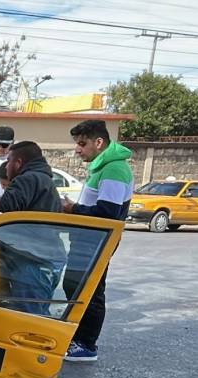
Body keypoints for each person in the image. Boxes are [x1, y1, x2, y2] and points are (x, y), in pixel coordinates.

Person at [60, 119, 134, 362]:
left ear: (98, 142)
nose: (77, 149)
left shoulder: (114, 169)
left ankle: (86, 344)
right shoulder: (103, 167)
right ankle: (77, 338)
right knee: (76, 285)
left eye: (82, 144)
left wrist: (73, 209)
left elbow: (107, 212)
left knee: (90, 290)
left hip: (97, 241)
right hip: (89, 239)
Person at [0, 141, 66, 316]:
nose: (6, 166)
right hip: (47, 257)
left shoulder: (28, 178)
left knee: (30, 318)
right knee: (38, 312)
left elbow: (6, 205)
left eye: (9, 161)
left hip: (33, 260)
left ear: (19, 162)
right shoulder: (44, 179)